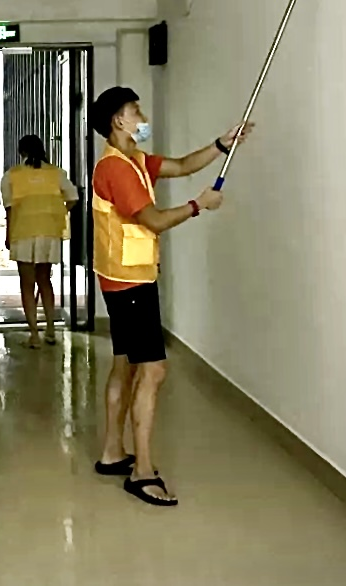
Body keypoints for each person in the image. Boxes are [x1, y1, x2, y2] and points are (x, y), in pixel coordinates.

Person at [89, 86, 253, 506]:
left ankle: (113, 452)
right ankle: (142, 471)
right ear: (118, 121)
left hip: (123, 276)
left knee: (126, 364)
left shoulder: (134, 160)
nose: (142, 117)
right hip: (130, 283)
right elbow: (155, 220)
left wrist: (222, 145)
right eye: (136, 111)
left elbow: (180, 165)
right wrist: (199, 205)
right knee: (153, 371)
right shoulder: (117, 170)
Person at [1, 134, 79, 348]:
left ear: (21, 152)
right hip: (49, 232)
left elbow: (9, 209)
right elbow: (73, 197)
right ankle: (51, 329)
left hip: (23, 232)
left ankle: (34, 334)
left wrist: (8, 235)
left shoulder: (11, 176)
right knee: (44, 279)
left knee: (27, 284)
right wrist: (58, 212)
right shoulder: (56, 173)